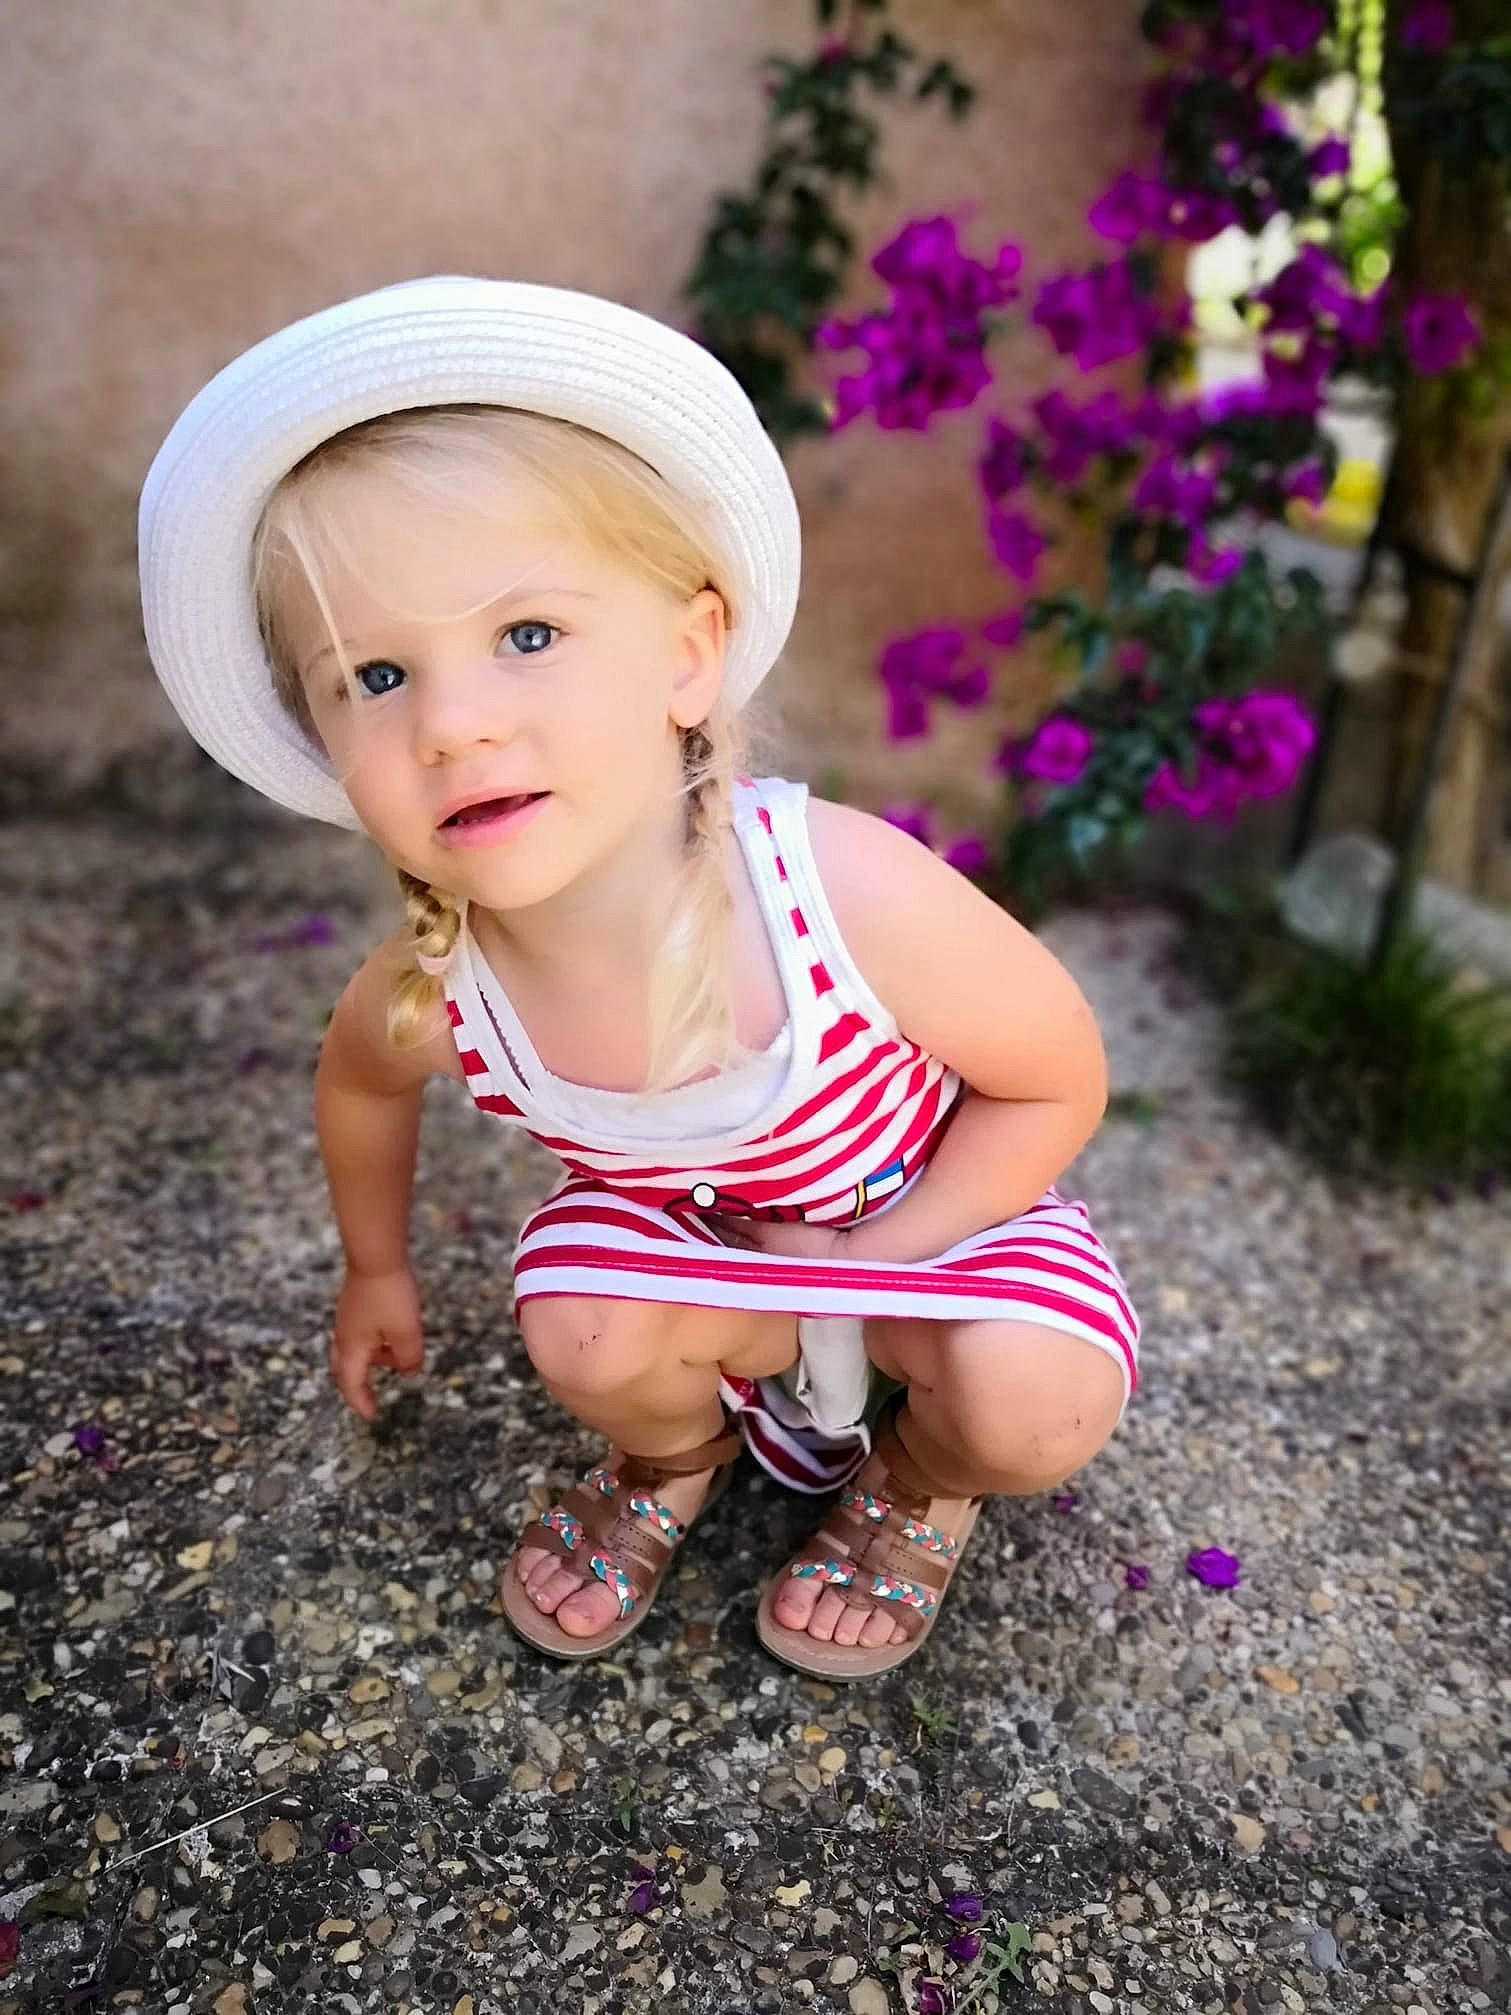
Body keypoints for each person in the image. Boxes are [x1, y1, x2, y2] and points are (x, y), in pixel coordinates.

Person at [139, 276, 1138, 1681]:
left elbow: (1056, 1074)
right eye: (372, 675)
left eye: (527, 636)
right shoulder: (442, 982)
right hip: (701, 1261)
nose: (453, 724)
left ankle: (920, 1480)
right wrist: (375, 1263)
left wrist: (880, 1255)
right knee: (583, 1324)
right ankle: (674, 1452)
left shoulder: (833, 893)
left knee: (1035, 1401)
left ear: (688, 654)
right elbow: (361, 1081)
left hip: (927, 1220)